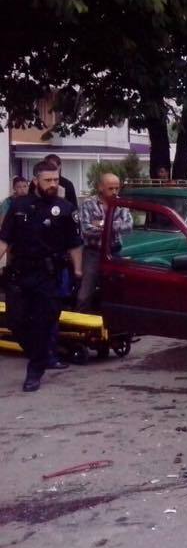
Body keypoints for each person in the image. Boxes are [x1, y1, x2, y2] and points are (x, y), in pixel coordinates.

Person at [0, 160, 83, 392]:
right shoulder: (18, 206)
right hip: (20, 274)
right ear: (36, 181)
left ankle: (34, 371)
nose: (53, 184)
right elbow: (4, 240)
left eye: (56, 180)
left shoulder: (65, 209)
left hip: (48, 275)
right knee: (16, 321)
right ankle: (41, 355)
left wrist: (77, 271)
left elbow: (75, 244)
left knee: (43, 323)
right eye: (48, 180)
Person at [77, 173, 133, 313]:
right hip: (93, 252)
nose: (114, 192)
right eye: (110, 188)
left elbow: (128, 226)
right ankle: (82, 320)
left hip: (114, 251)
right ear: (100, 187)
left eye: (117, 188)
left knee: (117, 289)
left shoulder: (121, 203)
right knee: (86, 291)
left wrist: (102, 224)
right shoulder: (88, 204)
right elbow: (86, 230)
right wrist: (114, 226)